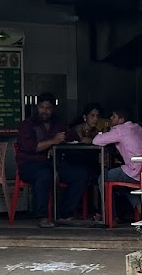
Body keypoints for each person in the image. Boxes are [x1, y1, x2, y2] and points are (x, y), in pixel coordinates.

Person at [16, 93, 91, 227]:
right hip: (29, 164)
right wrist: (53, 141)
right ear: (37, 107)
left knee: (81, 174)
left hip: (53, 163)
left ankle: (65, 214)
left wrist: (75, 134)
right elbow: (33, 147)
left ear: (53, 109)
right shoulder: (27, 124)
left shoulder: (58, 122)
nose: (44, 111)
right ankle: (42, 216)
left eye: (48, 108)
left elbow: (71, 135)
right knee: (44, 175)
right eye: (42, 107)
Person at [93, 106, 142, 222]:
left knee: (103, 177)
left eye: (114, 116)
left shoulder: (120, 130)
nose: (111, 118)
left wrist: (102, 132)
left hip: (133, 171)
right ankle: (141, 208)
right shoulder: (138, 128)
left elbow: (96, 141)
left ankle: (109, 216)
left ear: (121, 120)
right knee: (121, 183)